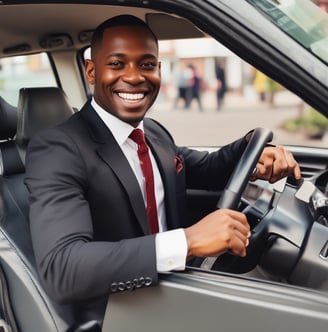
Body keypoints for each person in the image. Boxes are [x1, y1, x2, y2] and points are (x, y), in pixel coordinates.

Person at [25, 15, 301, 327]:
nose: (133, 77)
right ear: (91, 72)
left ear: (159, 70)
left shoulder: (153, 133)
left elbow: (203, 169)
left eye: (146, 64)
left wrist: (253, 155)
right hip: (121, 312)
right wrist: (188, 241)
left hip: (181, 288)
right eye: (117, 64)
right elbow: (63, 269)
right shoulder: (58, 149)